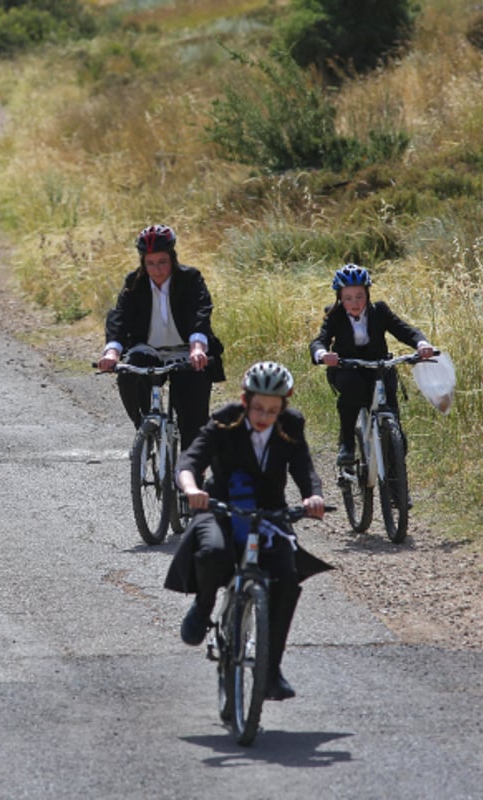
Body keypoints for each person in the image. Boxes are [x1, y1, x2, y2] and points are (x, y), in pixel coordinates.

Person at [165, 362, 331, 701]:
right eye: (257, 407)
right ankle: (204, 604)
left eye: (273, 409)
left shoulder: (291, 424)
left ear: (284, 404)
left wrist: (312, 496)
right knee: (213, 552)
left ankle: (270, 672)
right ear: (244, 399)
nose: (264, 416)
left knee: (285, 577)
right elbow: (191, 460)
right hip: (222, 506)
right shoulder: (226, 419)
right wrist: (191, 488)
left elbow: (304, 468)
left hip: (269, 511)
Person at [97, 224, 225, 450]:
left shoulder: (190, 279)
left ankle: (190, 471)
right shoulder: (134, 283)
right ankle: (144, 431)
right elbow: (119, 317)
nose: (157, 270)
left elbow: (200, 312)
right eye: (150, 263)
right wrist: (112, 352)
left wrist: (197, 348)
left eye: (162, 262)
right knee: (129, 377)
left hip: (186, 351)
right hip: (148, 349)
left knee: (192, 416)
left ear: (172, 259)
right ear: (143, 263)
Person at [309, 264, 435, 465]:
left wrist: (422, 344)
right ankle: (347, 445)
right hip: (347, 368)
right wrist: (323, 354)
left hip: (379, 367)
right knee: (353, 389)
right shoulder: (335, 315)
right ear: (340, 298)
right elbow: (319, 340)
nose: (354, 302)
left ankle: (398, 490)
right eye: (348, 298)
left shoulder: (380, 311)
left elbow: (404, 330)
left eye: (359, 296)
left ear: (367, 294)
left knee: (396, 432)